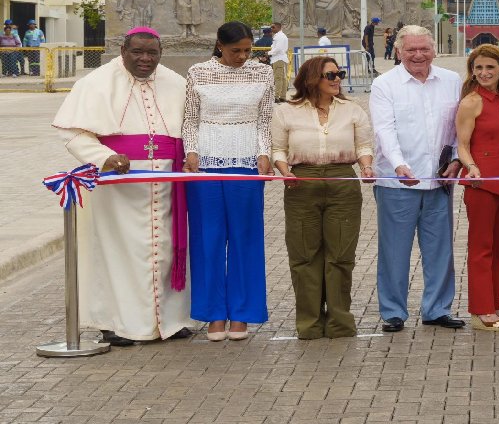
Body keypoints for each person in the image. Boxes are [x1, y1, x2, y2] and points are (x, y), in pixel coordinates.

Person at [51, 26, 191, 346]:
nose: (145, 59)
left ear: (160, 53)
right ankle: (113, 321)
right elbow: (73, 133)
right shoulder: (95, 83)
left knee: (166, 249)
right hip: (117, 186)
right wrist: (105, 157)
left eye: (152, 53)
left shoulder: (176, 82)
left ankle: (168, 320)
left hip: (166, 183)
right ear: (123, 51)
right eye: (137, 52)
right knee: (114, 252)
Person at [181, 21, 275, 341]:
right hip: (205, 164)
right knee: (208, 239)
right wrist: (191, 152)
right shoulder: (198, 72)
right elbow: (190, 119)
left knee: (245, 238)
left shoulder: (262, 72)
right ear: (220, 45)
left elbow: (264, 120)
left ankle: (243, 315)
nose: (243, 56)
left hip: (247, 163)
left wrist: (264, 153)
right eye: (236, 50)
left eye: (248, 50)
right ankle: (213, 315)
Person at [370, 25, 465, 333]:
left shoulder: (451, 81)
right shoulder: (385, 84)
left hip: (439, 182)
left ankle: (437, 309)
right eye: (411, 50)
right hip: (397, 182)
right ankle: (393, 311)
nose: (418, 55)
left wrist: (455, 161)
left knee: (440, 250)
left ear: (434, 50)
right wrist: (399, 166)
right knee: (394, 251)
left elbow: (457, 129)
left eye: (424, 49)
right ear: (398, 52)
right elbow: (385, 130)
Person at [271, 57, 375, 339]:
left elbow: (363, 144)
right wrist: (284, 172)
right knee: (304, 255)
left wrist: (365, 166)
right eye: (331, 75)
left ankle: (340, 322)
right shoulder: (285, 112)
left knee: (341, 255)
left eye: (340, 73)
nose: (337, 79)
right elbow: (278, 149)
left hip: (343, 182)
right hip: (301, 183)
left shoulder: (352, 110)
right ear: (312, 78)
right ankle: (309, 323)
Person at [456, 44, 499, 331]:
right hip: (482, 182)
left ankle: (496, 304)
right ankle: (481, 309)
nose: (483, 73)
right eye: (478, 68)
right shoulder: (471, 102)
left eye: (490, 67)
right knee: (481, 247)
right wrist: (471, 166)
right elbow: (462, 145)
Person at [268, 22, 289, 103]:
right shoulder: (281, 36)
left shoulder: (279, 36)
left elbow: (278, 49)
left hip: (278, 59)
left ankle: (276, 97)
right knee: (282, 79)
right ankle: (282, 97)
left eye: (273, 27)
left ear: (278, 27)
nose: (272, 29)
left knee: (278, 78)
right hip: (280, 58)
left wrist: (269, 53)